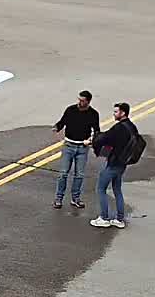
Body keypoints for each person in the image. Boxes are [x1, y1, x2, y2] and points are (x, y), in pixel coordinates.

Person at [88, 101, 138, 229]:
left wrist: (92, 141)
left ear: (123, 113)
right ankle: (119, 219)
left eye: (116, 112)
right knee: (117, 189)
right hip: (122, 164)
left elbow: (105, 138)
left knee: (100, 188)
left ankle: (104, 218)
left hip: (114, 163)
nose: (114, 114)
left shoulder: (119, 128)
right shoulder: (131, 127)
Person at [52, 89, 98, 209]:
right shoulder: (71, 110)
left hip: (82, 147)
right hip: (69, 145)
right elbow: (63, 122)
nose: (79, 102)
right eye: (79, 99)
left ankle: (75, 198)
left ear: (88, 101)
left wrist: (91, 140)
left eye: (82, 101)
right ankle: (58, 198)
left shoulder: (93, 114)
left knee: (79, 175)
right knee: (63, 173)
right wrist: (57, 127)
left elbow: (96, 130)